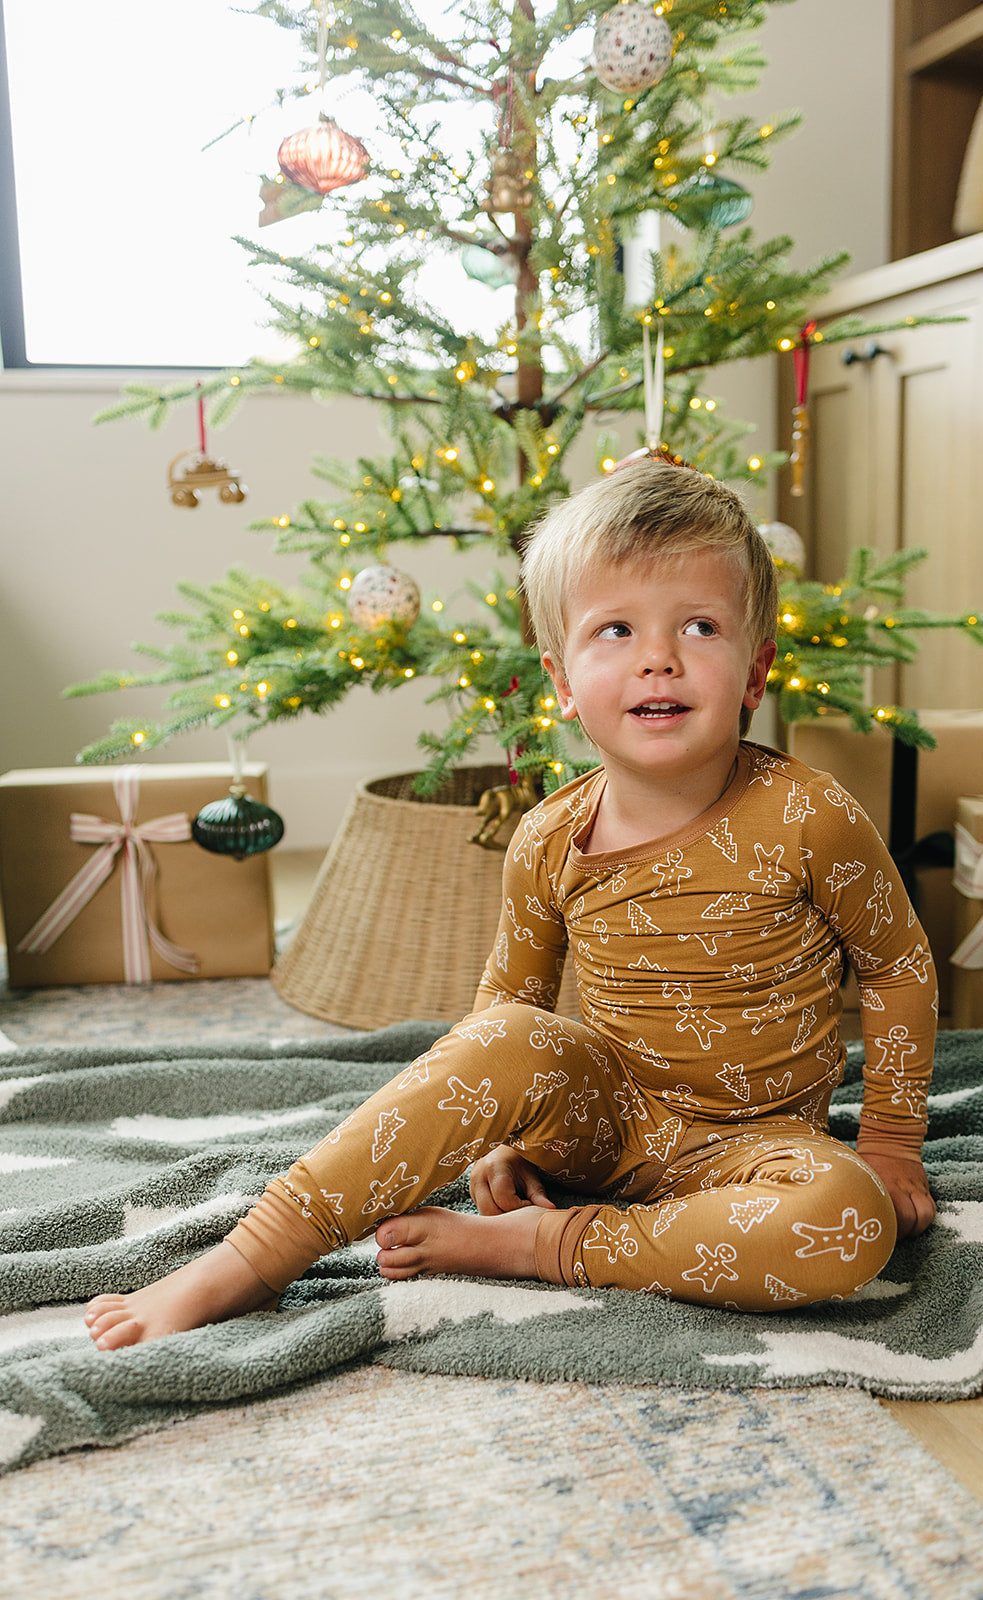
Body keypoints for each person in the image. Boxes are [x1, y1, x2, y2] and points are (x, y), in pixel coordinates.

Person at [85, 457, 936, 1350]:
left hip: (756, 1152)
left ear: (754, 671)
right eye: (614, 629)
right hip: (604, 1123)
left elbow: (899, 968)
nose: (658, 656)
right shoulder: (546, 836)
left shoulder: (808, 815)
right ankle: (255, 1256)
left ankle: (542, 1247)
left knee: (849, 1220)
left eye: (699, 625)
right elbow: (509, 1013)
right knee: (505, 1037)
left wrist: (887, 1143)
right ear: (562, 683)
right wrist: (497, 1139)